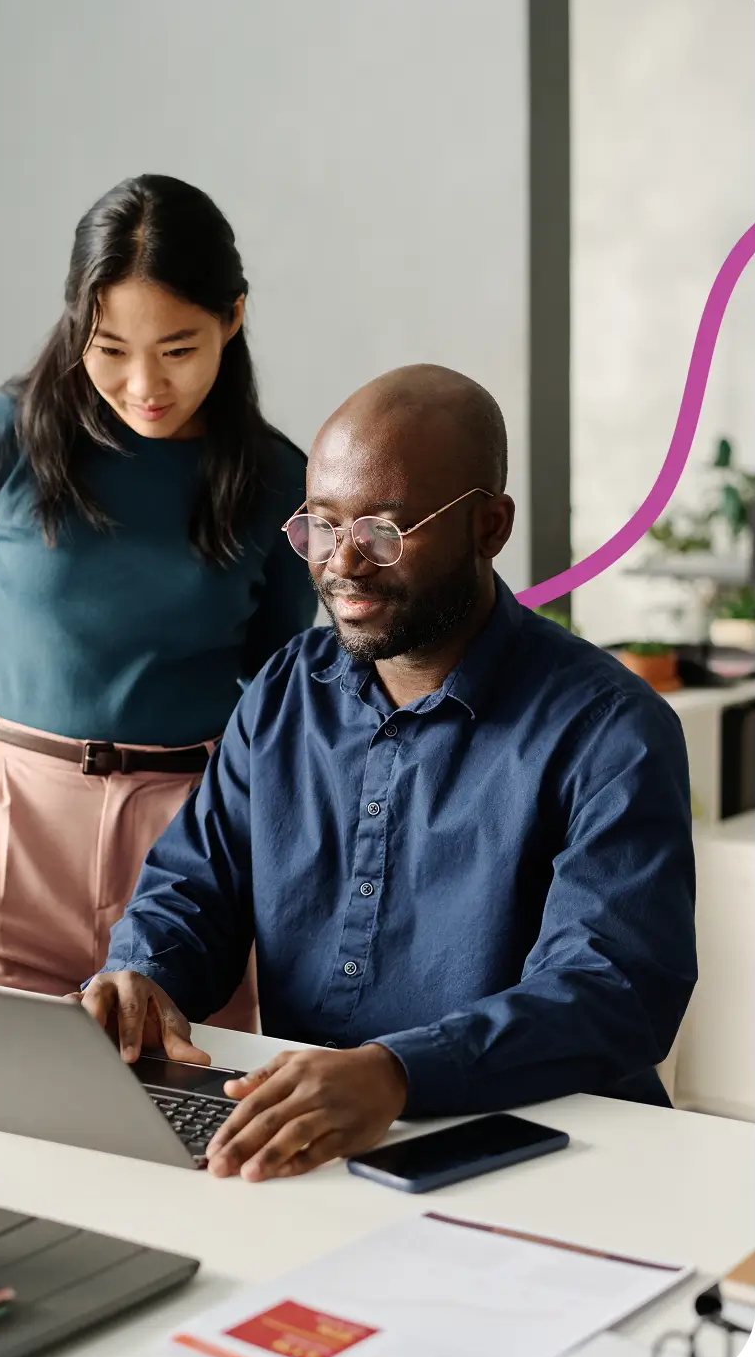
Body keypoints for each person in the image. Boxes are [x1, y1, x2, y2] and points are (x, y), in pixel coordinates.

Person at [78, 363, 698, 1182]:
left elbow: (610, 990)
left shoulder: (610, 729)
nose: (342, 564)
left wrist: (398, 1072)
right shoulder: (283, 692)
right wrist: (143, 977)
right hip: (316, 1146)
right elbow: (194, 887)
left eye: (381, 532)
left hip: (553, 1160)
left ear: (488, 526)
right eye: (321, 527)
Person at [0, 174, 318, 1019]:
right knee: (3, 1115)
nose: (144, 383)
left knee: (185, 1115)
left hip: (188, 847)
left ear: (232, 316)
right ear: (76, 321)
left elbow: (276, 693)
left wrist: (254, 841)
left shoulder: (276, 481)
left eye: (178, 348)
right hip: (9, 828)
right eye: (110, 348)